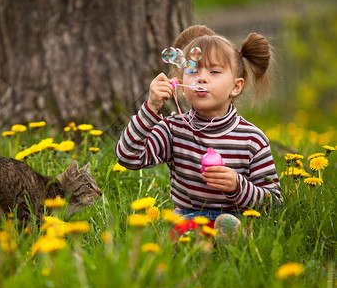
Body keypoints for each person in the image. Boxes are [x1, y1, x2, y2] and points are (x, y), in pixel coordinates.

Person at [114, 25, 282, 240]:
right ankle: (197, 244)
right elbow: (127, 157)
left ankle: (226, 238)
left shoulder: (252, 139)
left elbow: (274, 203)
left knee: (238, 229)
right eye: (193, 71)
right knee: (184, 231)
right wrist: (151, 108)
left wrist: (236, 185)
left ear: (236, 87)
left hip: (238, 216)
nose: (201, 79)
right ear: (182, 85)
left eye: (214, 71)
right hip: (188, 217)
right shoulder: (173, 129)